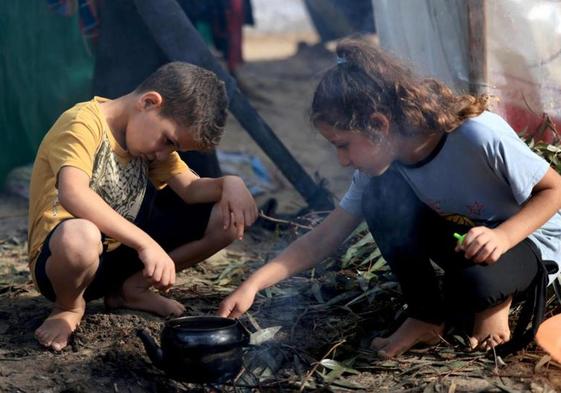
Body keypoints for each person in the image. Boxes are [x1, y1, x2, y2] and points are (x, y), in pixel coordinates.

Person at [218, 38, 561, 358]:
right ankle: (426, 316)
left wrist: (502, 236)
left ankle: (495, 302)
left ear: (379, 124)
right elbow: (325, 236)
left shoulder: (476, 134)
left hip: (530, 238)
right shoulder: (384, 167)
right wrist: (254, 284)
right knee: (382, 198)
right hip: (468, 241)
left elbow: (554, 190)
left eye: (344, 145)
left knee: (476, 285)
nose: (343, 160)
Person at [28, 62, 258, 351]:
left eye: (173, 149)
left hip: (119, 257)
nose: (164, 153)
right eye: (168, 141)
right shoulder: (83, 123)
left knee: (225, 219)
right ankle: (68, 308)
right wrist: (146, 243)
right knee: (80, 235)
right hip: (63, 265)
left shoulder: (150, 142)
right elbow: (73, 194)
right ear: (149, 103)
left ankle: (131, 289)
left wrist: (230, 184)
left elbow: (190, 189)